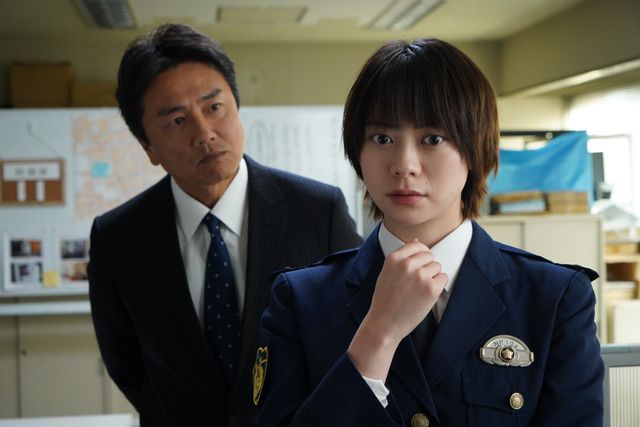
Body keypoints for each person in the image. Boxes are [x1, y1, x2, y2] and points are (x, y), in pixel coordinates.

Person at [255, 38, 604, 426]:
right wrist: (379, 333)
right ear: (358, 152)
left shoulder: (554, 298)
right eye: (382, 138)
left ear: (475, 150)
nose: (404, 165)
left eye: (433, 139)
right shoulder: (300, 299)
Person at [87, 23, 362, 427]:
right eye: (176, 121)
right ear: (148, 147)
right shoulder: (117, 238)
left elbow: (355, 329)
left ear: (236, 105)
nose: (204, 134)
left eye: (214, 107)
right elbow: (125, 363)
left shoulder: (318, 211)